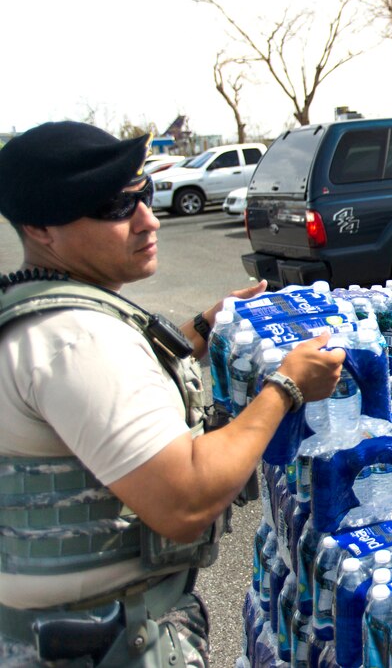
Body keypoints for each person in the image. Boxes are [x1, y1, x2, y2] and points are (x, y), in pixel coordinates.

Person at [0, 121, 345, 666]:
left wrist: (203, 330)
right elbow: (185, 498)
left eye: (146, 196)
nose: (148, 219)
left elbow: (110, 392)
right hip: (101, 643)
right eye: (117, 208)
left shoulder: (37, 309)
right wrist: (285, 387)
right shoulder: (78, 339)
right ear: (43, 226)